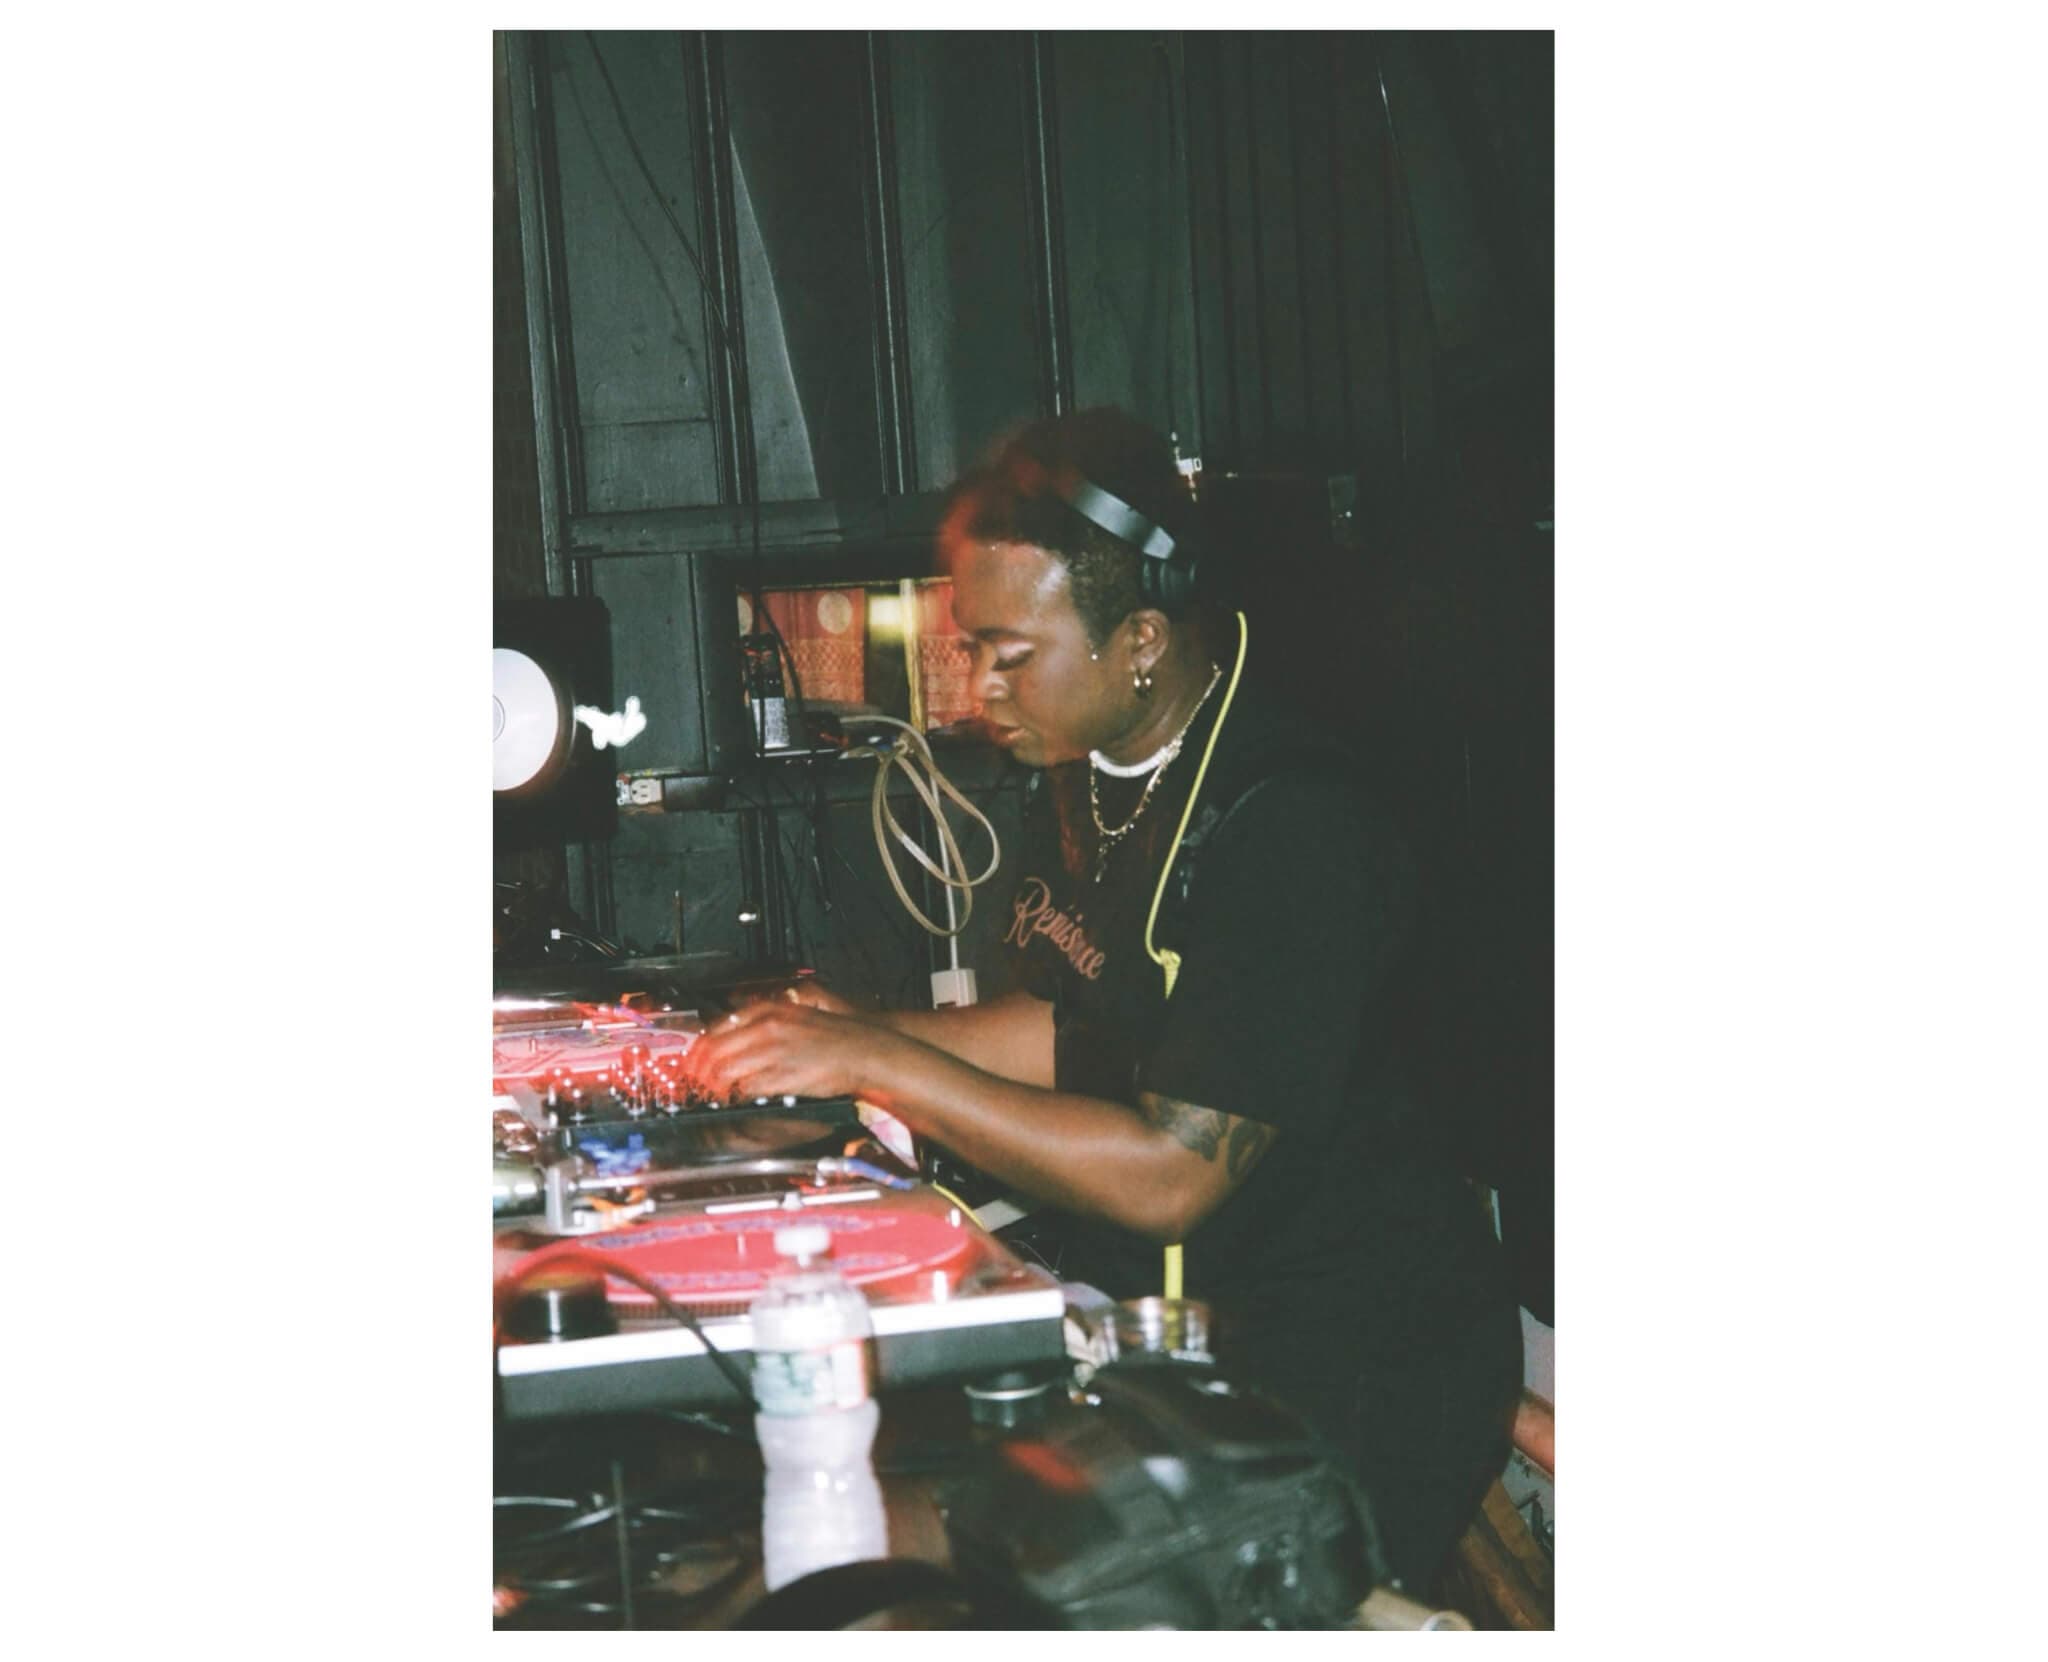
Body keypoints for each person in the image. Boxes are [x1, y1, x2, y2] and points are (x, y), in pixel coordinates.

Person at [683, 408, 1522, 1592]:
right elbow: (1070, 1021)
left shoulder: (1293, 829)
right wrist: (846, 1034)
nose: (978, 685)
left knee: (874, 1552)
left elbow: (1169, 1175)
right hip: (1172, 1332)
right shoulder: (1091, 768)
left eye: (1009, 652)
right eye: (970, 647)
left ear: (1139, 639)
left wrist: (880, 1063)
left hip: (1341, 1370)